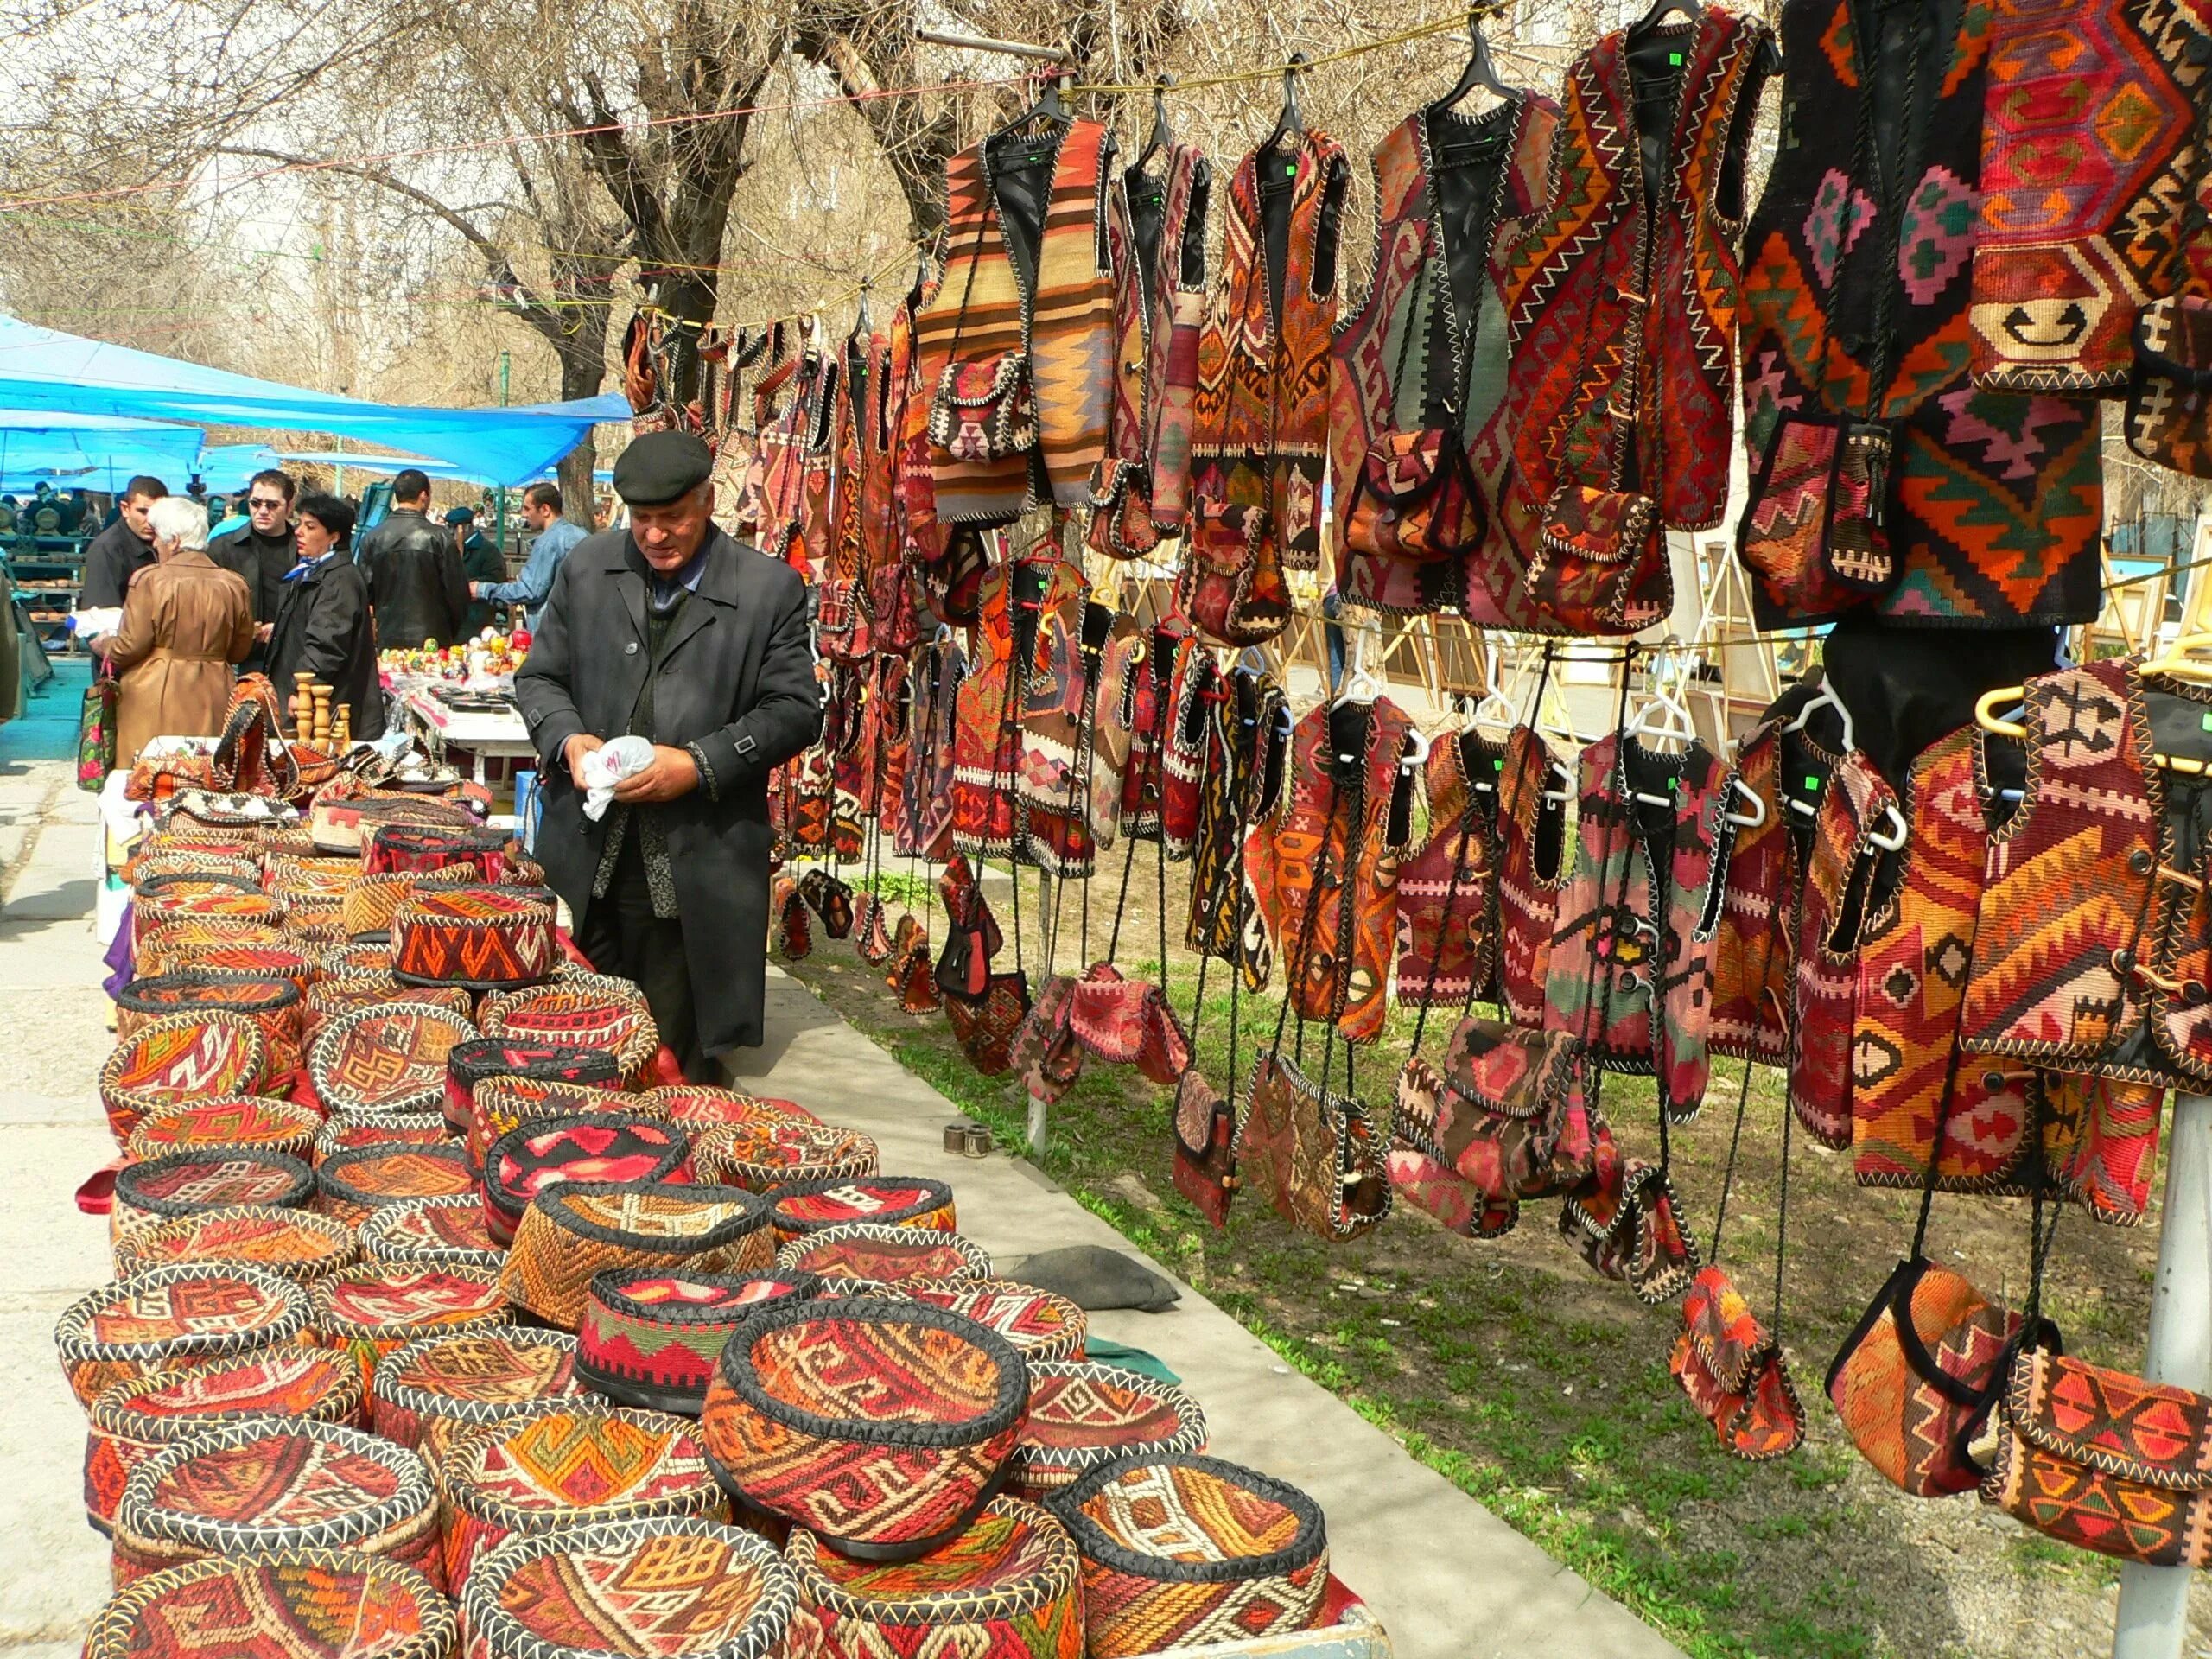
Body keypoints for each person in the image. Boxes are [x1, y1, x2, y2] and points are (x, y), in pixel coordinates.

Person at [515, 430, 820, 1078]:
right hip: (587, 858)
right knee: (564, 1051)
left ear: (708, 502)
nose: (656, 536)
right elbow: (538, 678)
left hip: (694, 868)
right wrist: (568, 739)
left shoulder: (769, 589)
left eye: (673, 518)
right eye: (642, 519)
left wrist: (700, 764)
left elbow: (795, 710)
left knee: (673, 1070)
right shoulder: (588, 568)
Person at [104, 497, 255, 767]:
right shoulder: (234, 585)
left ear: (173, 540)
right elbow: (240, 651)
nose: (154, 544)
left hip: (154, 692)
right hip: (215, 692)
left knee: (148, 779)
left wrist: (105, 646)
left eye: (157, 537)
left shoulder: (149, 580)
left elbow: (130, 646)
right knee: (206, 776)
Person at [266, 493, 385, 740]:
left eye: (310, 527)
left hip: (326, 704)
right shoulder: (308, 571)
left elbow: (327, 644)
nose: (299, 532)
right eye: (299, 524)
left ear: (334, 537)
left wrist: (303, 689)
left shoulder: (339, 579)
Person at [356, 467, 467, 649]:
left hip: (388, 637)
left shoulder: (372, 538)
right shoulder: (440, 538)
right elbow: (458, 594)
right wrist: (451, 631)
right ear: (424, 495)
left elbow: (363, 595)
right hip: (434, 638)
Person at [207, 468, 298, 671]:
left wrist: (283, 628)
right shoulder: (222, 547)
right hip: (235, 660)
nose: (263, 511)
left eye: (273, 505)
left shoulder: (303, 550)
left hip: (289, 658)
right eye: (255, 503)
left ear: (290, 506)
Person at [476, 482, 584, 633]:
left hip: (553, 634)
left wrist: (483, 589)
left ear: (545, 510)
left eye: (527, 508)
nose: (523, 514)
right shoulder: (581, 535)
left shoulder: (548, 542)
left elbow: (530, 590)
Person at [79, 475, 166, 615]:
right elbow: (101, 614)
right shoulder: (106, 548)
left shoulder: (166, 542)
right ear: (125, 509)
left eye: (158, 513)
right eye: (143, 511)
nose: (151, 520)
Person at [445, 505, 506, 635]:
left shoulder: (488, 551)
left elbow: (497, 581)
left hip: (477, 620)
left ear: (466, 527)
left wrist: (470, 586)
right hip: (452, 620)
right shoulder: (449, 549)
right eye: (448, 527)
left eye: (453, 527)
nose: (450, 532)